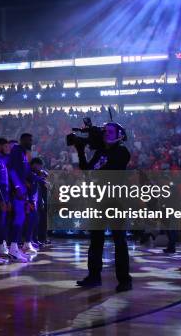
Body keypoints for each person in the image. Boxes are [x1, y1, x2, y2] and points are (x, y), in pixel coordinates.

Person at [75, 123, 133, 293]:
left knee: (119, 241)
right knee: (95, 240)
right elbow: (86, 170)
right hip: (99, 199)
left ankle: (125, 280)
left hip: (116, 201)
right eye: (104, 131)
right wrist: (80, 150)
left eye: (109, 132)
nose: (105, 134)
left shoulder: (122, 151)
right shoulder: (100, 152)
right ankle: (94, 276)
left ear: (119, 134)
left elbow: (108, 170)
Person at [7, 133, 36, 263]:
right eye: (29, 140)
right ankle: (13, 248)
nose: (31, 142)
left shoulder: (24, 153)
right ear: (23, 140)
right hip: (17, 191)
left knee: (21, 218)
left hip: (22, 190)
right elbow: (12, 170)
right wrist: (18, 187)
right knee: (18, 218)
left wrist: (37, 176)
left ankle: (15, 247)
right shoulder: (16, 150)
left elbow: (26, 171)